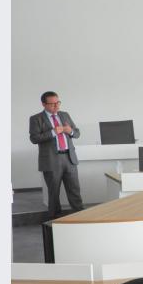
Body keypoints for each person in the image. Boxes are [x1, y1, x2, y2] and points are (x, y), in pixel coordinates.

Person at [29, 91, 84, 219]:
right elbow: (34, 138)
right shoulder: (36, 118)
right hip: (51, 161)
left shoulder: (65, 115)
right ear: (43, 104)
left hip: (69, 158)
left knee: (75, 191)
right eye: (52, 104)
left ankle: (81, 218)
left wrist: (70, 131)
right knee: (54, 193)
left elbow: (77, 133)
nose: (56, 106)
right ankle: (55, 221)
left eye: (58, 102)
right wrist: (53, 132)